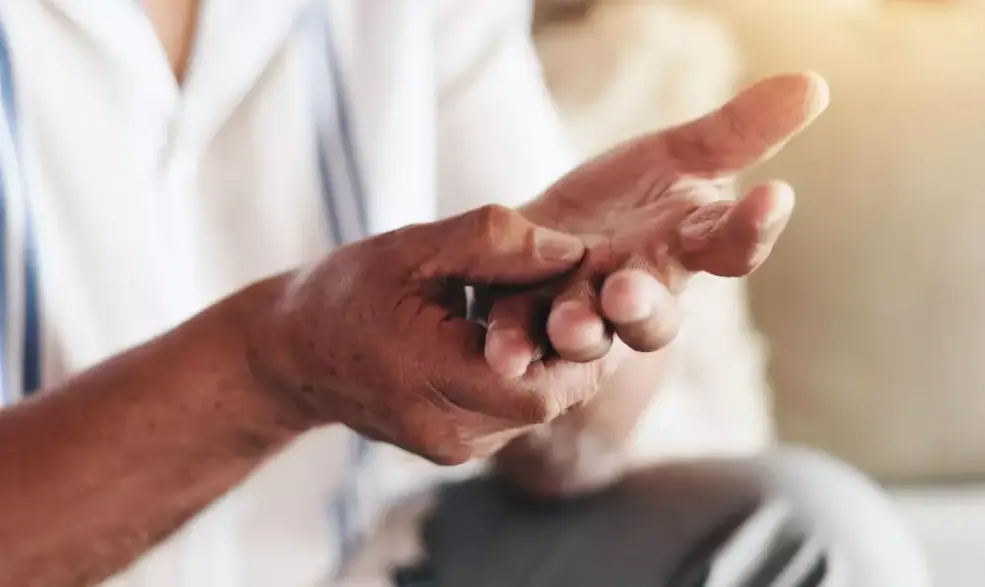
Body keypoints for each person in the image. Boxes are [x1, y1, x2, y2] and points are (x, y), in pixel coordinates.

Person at [0, 2, 930, 587]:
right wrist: (273, 364)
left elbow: (574, 446)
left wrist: (584, 323)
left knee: (804, 530)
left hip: (375, 561)